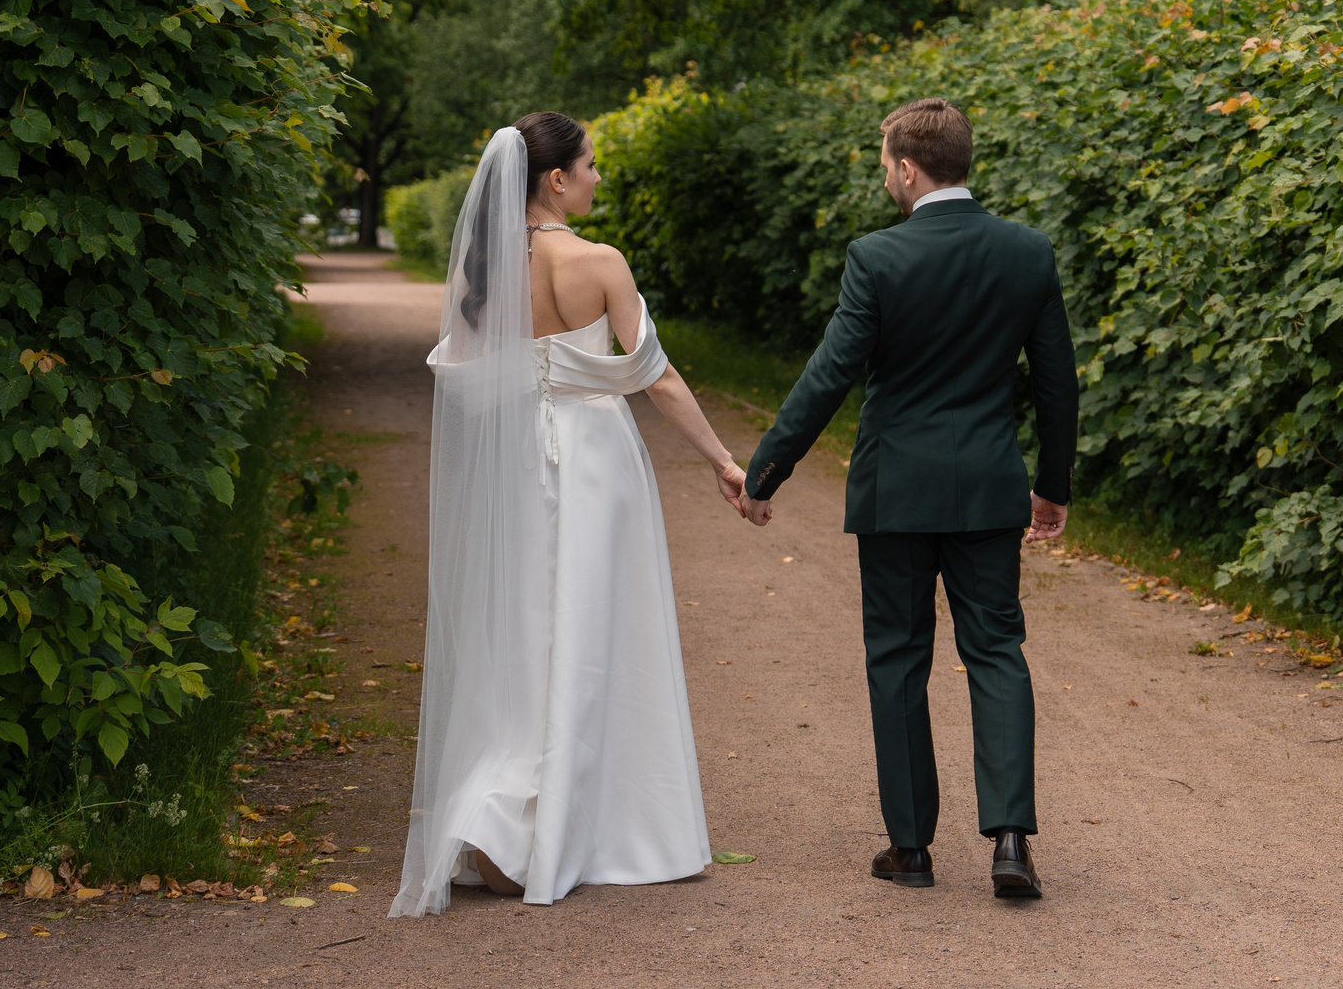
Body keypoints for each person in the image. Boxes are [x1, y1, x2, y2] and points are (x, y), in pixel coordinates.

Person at [392, 112, 752, 915]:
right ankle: (597, 824)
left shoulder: (485, 268)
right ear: (555, 179)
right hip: (595, 459)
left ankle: (510, 816)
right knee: (598, 626)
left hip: (520, 460)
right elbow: (655, 376)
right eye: (588, 165)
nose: (596, 177)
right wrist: (723, 460)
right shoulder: (600, 262)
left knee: (526, 628)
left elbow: (469, 378)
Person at [742, 97, 1077, 899]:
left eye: (884, 164)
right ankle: (1010, 839)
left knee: (897, 655)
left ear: (907, 166)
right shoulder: (1027, 251)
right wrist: (1052, 485)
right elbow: (1057, 382)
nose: (884, 177)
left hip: (895, 489)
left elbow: (831, 373)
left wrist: (765, 471)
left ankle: (911, 847)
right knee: (996, 650)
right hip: (989, 486)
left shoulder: (877, 257)